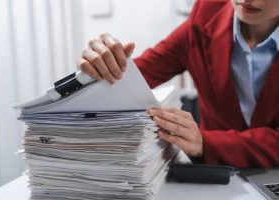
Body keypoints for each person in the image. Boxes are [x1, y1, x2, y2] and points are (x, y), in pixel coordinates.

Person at [78, 0, 279, 168]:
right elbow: (131, 77)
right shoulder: (207, 16)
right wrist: (97, 69)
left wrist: (206, 143)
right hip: (216, 177)